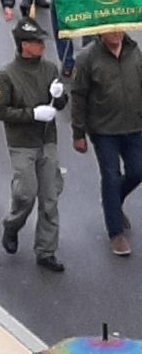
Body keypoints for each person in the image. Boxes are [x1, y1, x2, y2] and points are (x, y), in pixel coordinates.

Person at [0, 18, 68, 272]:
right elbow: (1, 111)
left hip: (47, 140)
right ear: (24, 45)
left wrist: (59, 98)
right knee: (25, 194)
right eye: (37, 42)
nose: (42, 46)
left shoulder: (49, 69)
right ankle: (12, 226)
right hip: (22, 143)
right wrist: (32, 114)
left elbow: (60, 103)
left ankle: (46, 250)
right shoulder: (7, 75)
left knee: (50, 196)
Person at [71, 31, 142, 257]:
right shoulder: (86, 58)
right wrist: (78, 133)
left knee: (137, 171)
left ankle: (112, 201)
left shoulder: (134, 52)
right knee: (110, 176)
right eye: (110, 29)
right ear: (101, 32)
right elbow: (78, 95)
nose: (115, 33)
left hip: (135, 126)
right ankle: (116, 234)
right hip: (104, 131)